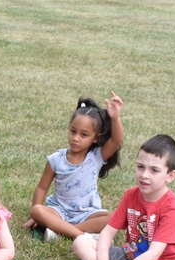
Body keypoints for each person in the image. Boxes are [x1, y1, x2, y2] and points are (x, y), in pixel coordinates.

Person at [72, 135, 175, 260]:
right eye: (140, 167)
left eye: (154, 170)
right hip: (128, 256)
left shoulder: (172, 206)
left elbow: (153, 254)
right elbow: (108, 233)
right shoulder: (131, 195)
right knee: (80, 241)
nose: (144, 175)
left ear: (170, 175)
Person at [24, 94, 124, 242]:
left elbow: (116, 141)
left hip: (88, 213)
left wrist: (115, 118)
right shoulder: (56, 159)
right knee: (37, 210)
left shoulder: (96, 157)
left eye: (84, 135)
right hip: (59, 211)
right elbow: (41, 188)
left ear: (95, 138)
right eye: (73, 131)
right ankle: (84, 236)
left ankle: (61, 231)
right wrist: (35, 216)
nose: (76, 138)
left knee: (119, 217)